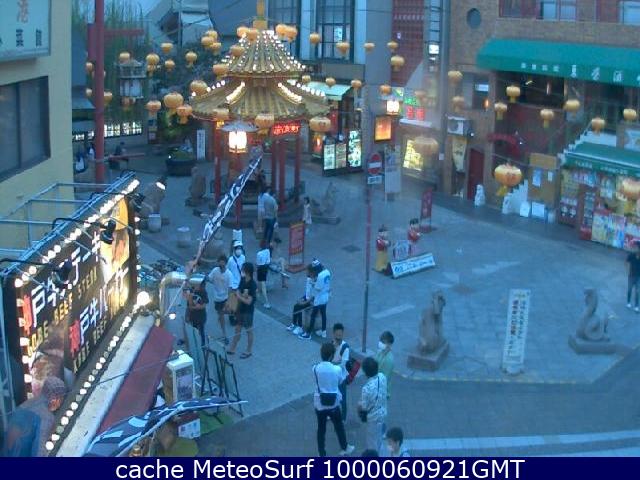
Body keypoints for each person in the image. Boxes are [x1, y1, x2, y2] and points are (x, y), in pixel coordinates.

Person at [2, 377, 66, 456]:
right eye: (61, 399)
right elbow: (38, 451)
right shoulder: (46, 417)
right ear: (56, 399)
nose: (59, 404)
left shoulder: (27, 404)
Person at [313, 342, 355, 457]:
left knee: (321, 429)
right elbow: (341, 381)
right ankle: (345, 447)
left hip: (319, 403)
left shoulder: (315, 368)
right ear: (331, 355)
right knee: (339, 426)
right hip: (334, 404)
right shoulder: (337, 370)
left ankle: (321, 453)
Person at [357, 357, 387, 453]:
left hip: (373, 418)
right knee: (379, 436)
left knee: (371, 441)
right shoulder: (382, 377)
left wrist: (359, 405)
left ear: (366, 373)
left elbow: (364, 407)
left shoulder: (366, 388)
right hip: (382, 412)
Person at [228, 262, 257, 359]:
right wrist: (238, 297)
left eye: (243, 269)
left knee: (249, 331)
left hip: (248, 312)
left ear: (247, 271)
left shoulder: (252, 285)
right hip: (240, 309)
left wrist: (239, 296)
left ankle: (249, 350)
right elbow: (238, 291)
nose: (241, 271)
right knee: (237, 329)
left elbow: (249, 301)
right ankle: (233, 348)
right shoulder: (243, 280)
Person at [299, 260, 331, 339]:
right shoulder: (327, 272)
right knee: (323, 314)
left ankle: (308, 334)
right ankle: (323, 332)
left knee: (313, 316)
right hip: (326, 296)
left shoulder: (320, 276)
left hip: (319, 299)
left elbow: (318, 288)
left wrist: (312, 283)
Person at [207, 255, 233, 344]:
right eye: (219, 262)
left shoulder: (229, 274)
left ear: (225, 263)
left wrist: (229, 301)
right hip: (217, 298)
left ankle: (224, 333)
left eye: (222, 262)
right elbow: (209, 278)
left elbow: (230, 288)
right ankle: (224, 332)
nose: (221, 264)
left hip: (225, 298)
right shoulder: (215, 270)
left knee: (223, 314)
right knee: (221, 314)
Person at [287, 264, 314, 335]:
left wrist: (303, 303)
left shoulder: (314, 281)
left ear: (311, 272)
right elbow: (307, 292)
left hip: (311, 301)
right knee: (295, 306)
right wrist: (302, 298)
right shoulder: (308, 279)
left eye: (307, 271)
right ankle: (294, 323)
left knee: (298, 307)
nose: (306, 272)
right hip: (306, 298)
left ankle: (300, 327)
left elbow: (313, 296)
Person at [332, 323, 350, 422]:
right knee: (333, 396)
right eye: (337, 335)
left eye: (340, 335)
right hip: (333, 376)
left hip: (341, 377)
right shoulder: (331, 344)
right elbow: (328, 358)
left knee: (342, 398)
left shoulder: (345, 347)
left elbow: (342, 365)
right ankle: (332, 413)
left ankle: (343, 418)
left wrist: (332, 364)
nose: (338, 337)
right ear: (333, 334)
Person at [183, 277, 209, 345]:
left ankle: (203, 344)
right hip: (193, 316)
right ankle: (195, 343)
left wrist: (197, 307)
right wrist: (190, 297)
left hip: (201, 316)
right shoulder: (191, 292)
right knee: (194, 330)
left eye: (204, 285)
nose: (203, 287)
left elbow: (204, 305)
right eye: (202, 285)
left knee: (202, 330)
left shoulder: (204, 292)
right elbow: (189, 306)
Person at [375, 331, 395, 399]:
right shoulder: (379, 352)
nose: (380, 343)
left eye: (383, 342)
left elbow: (384, 380)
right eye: (380, 341)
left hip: (382, 393)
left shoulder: (389, 360)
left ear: (389, 344)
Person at [256, 240, 271, 308]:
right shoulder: (268, 251)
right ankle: (257, 294)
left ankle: (267, 302)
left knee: (262, 285)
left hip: (260, 269)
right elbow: (268, 261)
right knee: (259, 283)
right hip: (265, 268)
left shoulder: (259, 253)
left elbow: (258, 264)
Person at [626, 242, 640, 312]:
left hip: (638, 277)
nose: (635, 248)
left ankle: (636, 306)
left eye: (636, 247)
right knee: (629, 290)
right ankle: (628, 302)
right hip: (631, 276)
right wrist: (628, 271)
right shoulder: (631, 255)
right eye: (635, 247)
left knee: (637, 292)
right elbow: (627, 261)